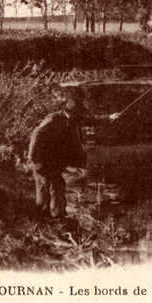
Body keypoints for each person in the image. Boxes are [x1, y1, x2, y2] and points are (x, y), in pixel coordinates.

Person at [27, 86, 87, 219]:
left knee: (57, 186)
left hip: (54, 161)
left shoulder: (72, 120)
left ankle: (57, 216)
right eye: (76, 111)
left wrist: (109, 117)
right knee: (44, 187)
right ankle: (44, 217)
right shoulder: (53, 119)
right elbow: (36, 134)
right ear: (67, 110)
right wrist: (32, 158)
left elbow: (91, 120)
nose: (77, 114)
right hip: (41, 160)